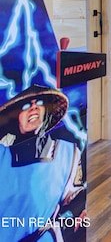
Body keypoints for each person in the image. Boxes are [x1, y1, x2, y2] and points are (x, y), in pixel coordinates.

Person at [0, 85, 86, 242]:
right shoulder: (2, 156)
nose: (33, 108)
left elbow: (75, 199)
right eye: (26, 106)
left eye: (39, 103)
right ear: (15, 118)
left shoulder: (67, 153)